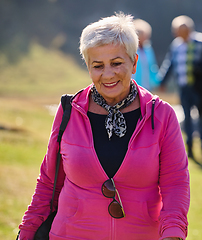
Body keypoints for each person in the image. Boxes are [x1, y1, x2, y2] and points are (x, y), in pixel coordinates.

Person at [17, 12, 189, 240]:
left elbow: (175, 184)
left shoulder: (162, 114)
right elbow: (48, 182)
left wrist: (173, 233)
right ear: (88, 67)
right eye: (97, 66)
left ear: (134, 62)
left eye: (116, 63)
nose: (108, 75)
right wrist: (26, 232)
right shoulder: (69, 110)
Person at [157, 15, 202, 159]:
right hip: (183, 87)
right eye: (176, 31)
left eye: (180, 31)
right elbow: (169, 64)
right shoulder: (176, 45)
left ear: (189, 29)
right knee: (187, 118)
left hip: (200, 88)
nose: (177, 34)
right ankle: (190, 149)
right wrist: (162, 82)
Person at [132, 18, 160, 91]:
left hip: (146, 86)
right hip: (132, 86)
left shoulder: (148, 49)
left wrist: (158, 82)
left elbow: (153, 67)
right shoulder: (131, 49)